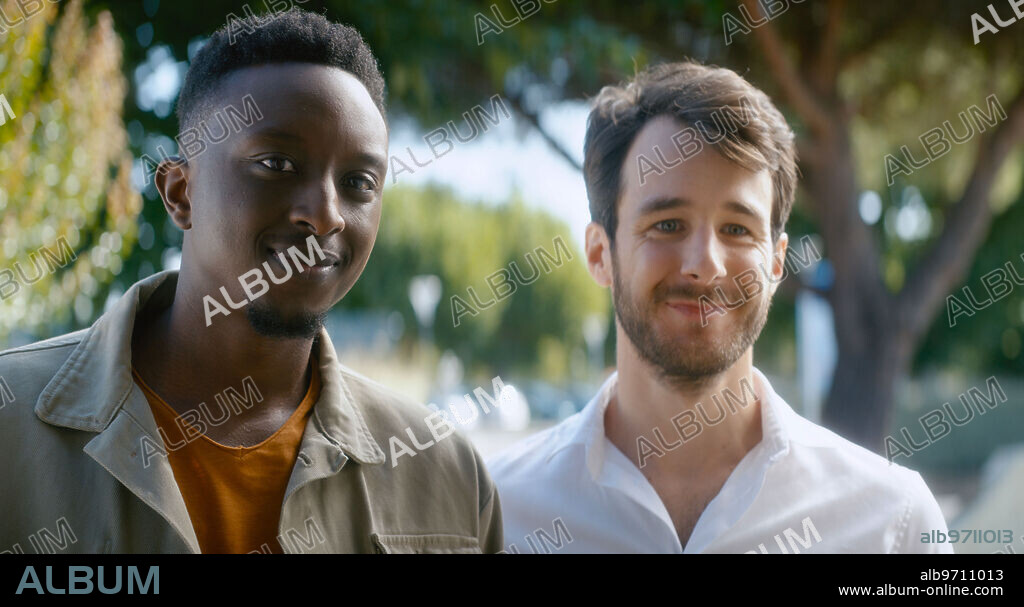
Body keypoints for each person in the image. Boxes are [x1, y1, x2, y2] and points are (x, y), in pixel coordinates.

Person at [0, 8, 501, 554]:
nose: (326, 214)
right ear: (180, 193)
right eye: (277, 164)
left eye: (359, 182)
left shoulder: (446, 473)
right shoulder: (12, 428)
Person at [487, 60, 952, 554]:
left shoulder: (894, 526)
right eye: (667, 224)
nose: (704, 265)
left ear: (776, 264)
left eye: (737, 229)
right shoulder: (495, 513)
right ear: (601, 255)